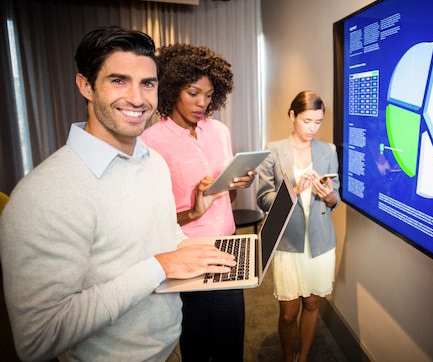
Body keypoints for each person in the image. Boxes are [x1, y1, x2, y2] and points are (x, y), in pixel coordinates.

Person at [0, 26, 237, 362]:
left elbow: (167, 237)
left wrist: (214, 251)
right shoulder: (42, 195)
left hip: (169, 348)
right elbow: (37, 339)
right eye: (118, 80)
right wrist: (158, 267)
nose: (138, 98)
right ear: (85, 85)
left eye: (147, 83)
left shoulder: (151, 162)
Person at [142, 43, 254, 362]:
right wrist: (193, 210)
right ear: (173, 88)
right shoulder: (151, 142)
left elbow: (227, 197)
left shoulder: (219, 131)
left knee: (231, 341)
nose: (202, 103)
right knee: (196, 342)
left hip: (227, 244)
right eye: (193, 93)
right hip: (186, 252)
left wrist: (236, 184)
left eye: (208, 94)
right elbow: (153, 220)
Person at [257, 91, 340, 362]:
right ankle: (285, 356)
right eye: (307, 121)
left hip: (320, 240)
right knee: (288, 313)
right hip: (288, 241)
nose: (313, 128)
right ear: (292, 116)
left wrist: (328, 196)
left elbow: (334, 196)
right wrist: (295, 189)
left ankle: (302, 357)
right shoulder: (273, 150)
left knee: (312, 303)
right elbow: (263, 199)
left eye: (318, 122)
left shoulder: (327, 150)